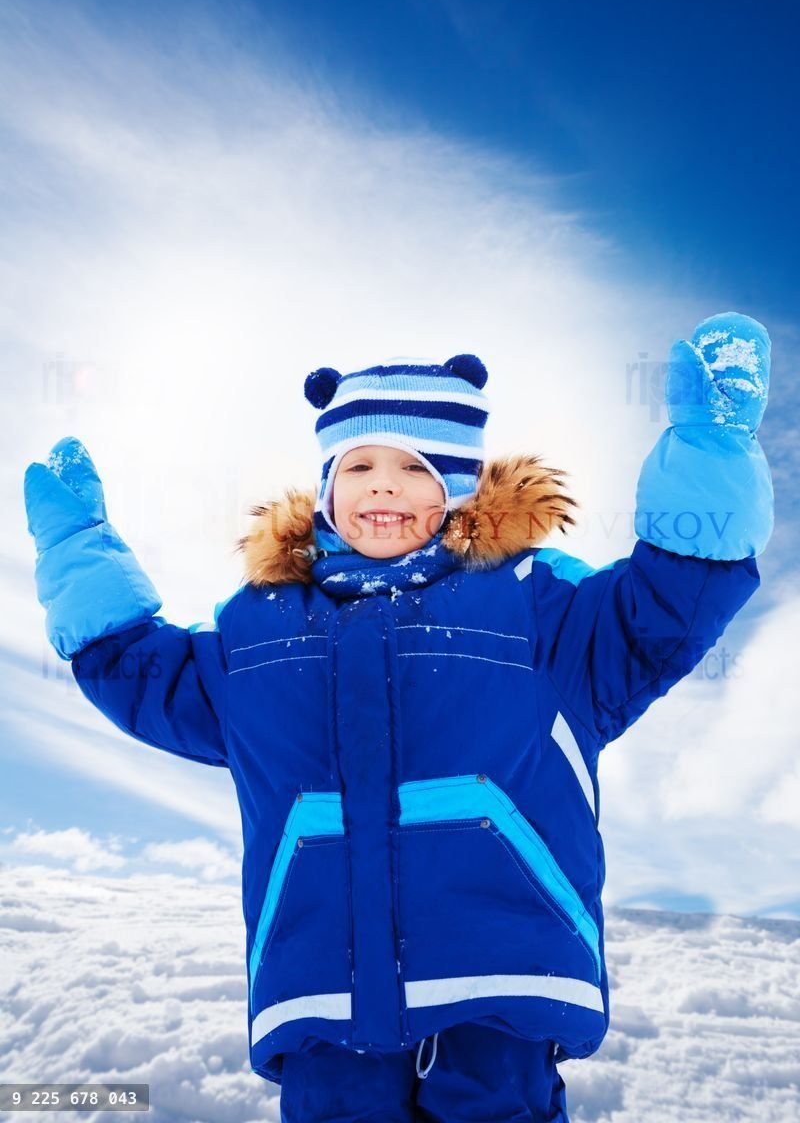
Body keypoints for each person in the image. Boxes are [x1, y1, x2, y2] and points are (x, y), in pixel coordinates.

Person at [23, 316, 774, 1122]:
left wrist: (710, 453)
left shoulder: (537, 605)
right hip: (322, 996)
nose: (383, 485)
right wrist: (78, 551)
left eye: (414, 467)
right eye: (360, 466)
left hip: (502, 981)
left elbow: (661, 609)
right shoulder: (259, 627)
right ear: (327, 489)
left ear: (457, 486)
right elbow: (147, 678)